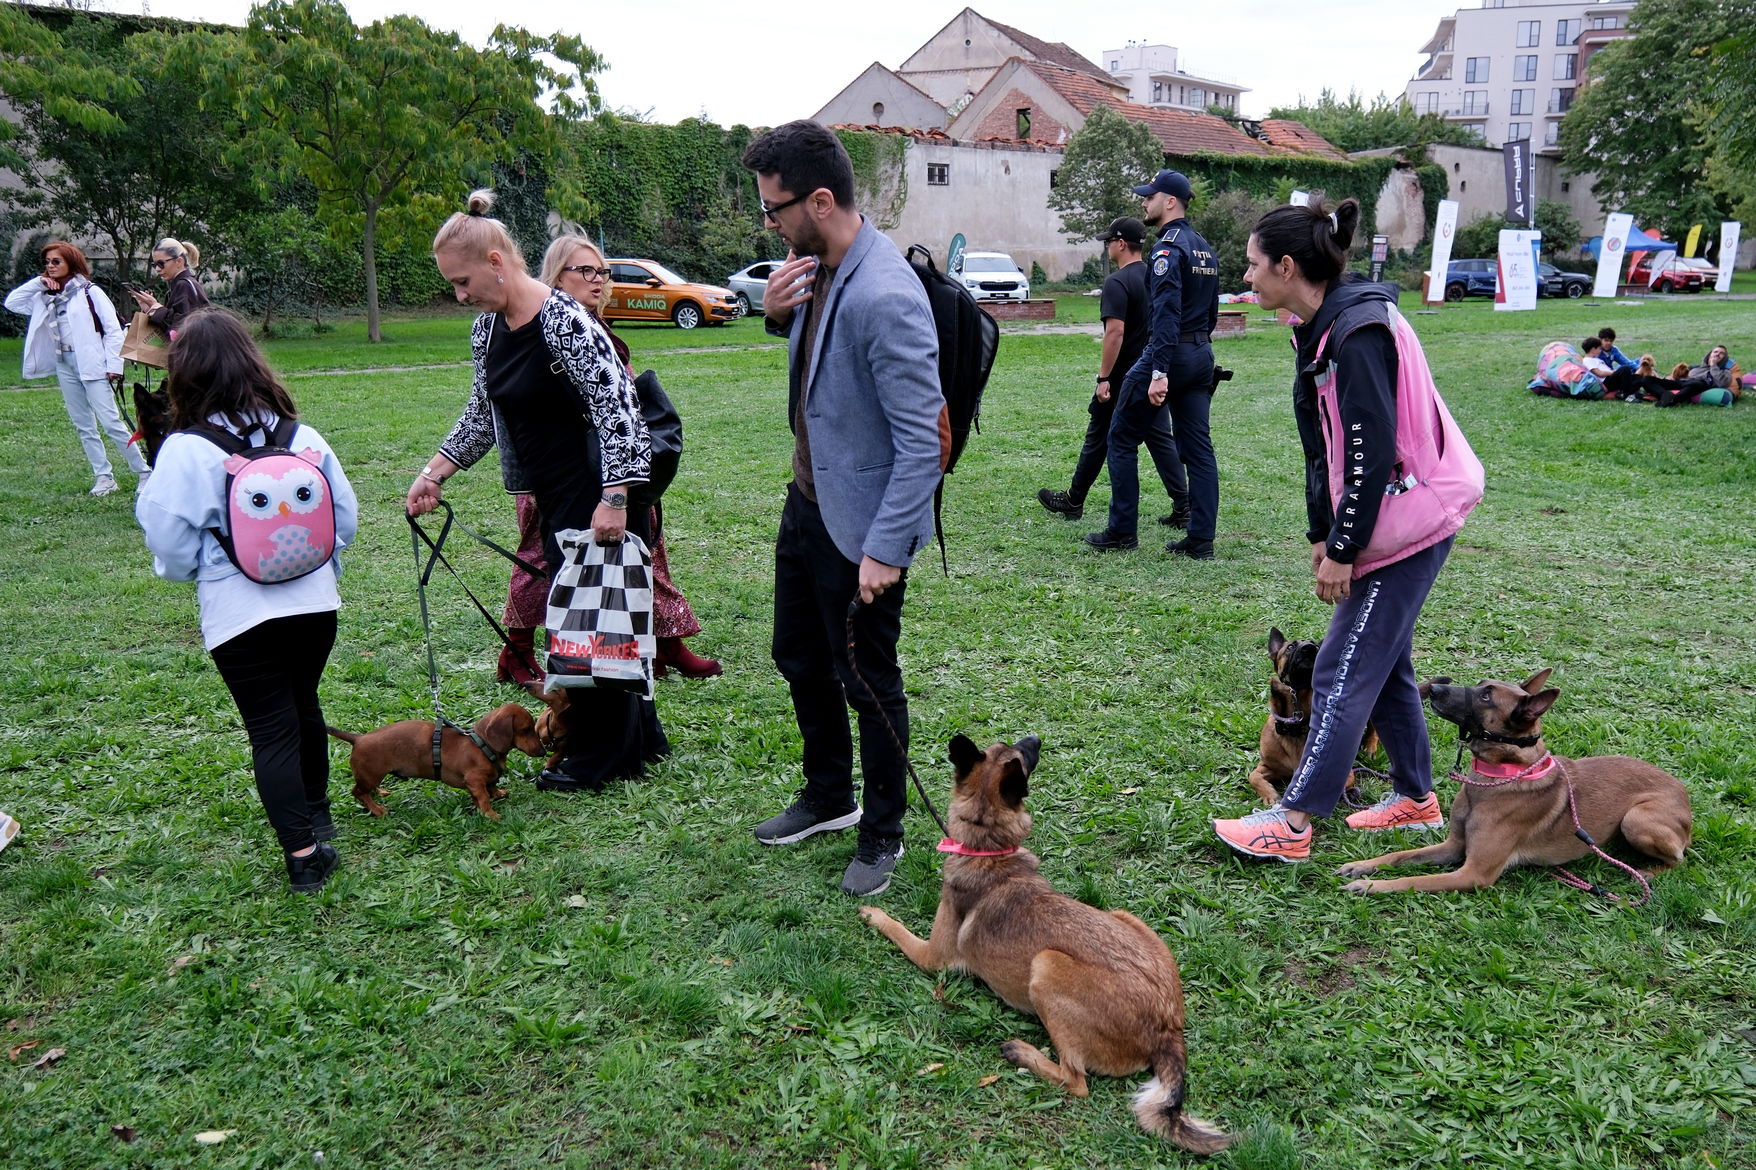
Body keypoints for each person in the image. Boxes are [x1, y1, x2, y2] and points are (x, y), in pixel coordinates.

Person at [1212, 197, 1482, 863]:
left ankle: (1293, 820)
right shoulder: (1322, 323)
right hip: (1393, 515)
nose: (1246, 277)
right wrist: (1320, 529)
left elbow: (1370, 449)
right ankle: (1417, 799)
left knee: (1337, 666)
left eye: (1251, 266)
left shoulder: (1357, 330)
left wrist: (1344, 547)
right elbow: (1319, 441)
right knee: (1383, 661)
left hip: (1412, 516)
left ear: (1286, 265)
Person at [742, 120, 943, 897]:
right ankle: (829, 795)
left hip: (862, 525)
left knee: (868, 678)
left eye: (775, 209)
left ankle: (883, 832)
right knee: (798, 656)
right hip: (808, 503)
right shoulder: (820, 268)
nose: (771, 224)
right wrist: (778, 317)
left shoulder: (885, 293)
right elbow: (819, 381)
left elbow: (920, 439)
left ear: (819, 201)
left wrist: (887, 548)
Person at [409, 190, 666, 793]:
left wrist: (617, 498)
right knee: (597, 620)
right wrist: (433, 474)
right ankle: (639, 742)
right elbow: (482, 412)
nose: (460, 294)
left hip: (597, 492)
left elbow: (619, 409)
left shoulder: (564, 321)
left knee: (595, 628)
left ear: (498, 261)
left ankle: (600, 758)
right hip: (553, 495)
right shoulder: (487, 332)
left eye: (464, 280)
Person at [136, 309, 359, 892]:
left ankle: (304, 855)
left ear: (185, 375)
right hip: (314, 604)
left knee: (270, 726)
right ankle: (318, 814)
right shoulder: (300, 435)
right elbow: (346, 517)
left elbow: (167, 537)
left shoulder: (184, 451)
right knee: (304, 704)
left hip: (239, 614)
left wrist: (199, 570)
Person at [538, 235, 721, 680]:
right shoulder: (551, 329)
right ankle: (537, 652)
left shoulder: (596, 326)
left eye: (601, 272)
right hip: (578, 476)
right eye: (584, 271)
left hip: (617, 468)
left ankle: (659, 646)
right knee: (568, 570)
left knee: (643, 557)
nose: (597, 280)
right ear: (555, 277)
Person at [1089, 170, 1220, 558]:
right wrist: (1197, 349)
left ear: (1170, 202)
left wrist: (1159, 370)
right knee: (1198, 449)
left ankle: (1121, 531)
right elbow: (1210, 311)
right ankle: (1201, 540)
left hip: (1168, 352)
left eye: (1150, 197)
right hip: (1200, 353)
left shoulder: (1167, 249)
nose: (1144, 203)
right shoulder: (1204, 248)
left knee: (1121, 436)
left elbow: (1166, 314)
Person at [1037, 216, 1189, 528]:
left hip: (1123, 377)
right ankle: (1184, 503)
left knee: (1099, 437)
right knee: (1160, 439)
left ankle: (1074, 499)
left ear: (1121, 244)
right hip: (1152, 371)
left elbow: (1114, 333)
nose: (1107, 246)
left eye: (1109, 241)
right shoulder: (1155, 276)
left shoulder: (1117, 282)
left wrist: (1104, 377)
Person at [6, 241, 152, 496]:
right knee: (83, 425)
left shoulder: (89, 292)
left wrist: (114, 366)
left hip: (93, 364)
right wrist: (37, 283)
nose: (49, 267)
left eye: (56, 262)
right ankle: (103, 476)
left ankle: (143, 472)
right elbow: (13, 303)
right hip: (65, 364)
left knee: (110, 422)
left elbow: (112, 331)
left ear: (71, 263)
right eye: (47, 263)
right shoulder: (45, 294)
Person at [130, 238, 210, 334]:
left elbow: (181, 328)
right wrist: (149, 309)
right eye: (154, 264)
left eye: (161, 263)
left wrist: (156, 308)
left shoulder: (185, 285)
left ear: (179, 262)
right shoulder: (180, 285)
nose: (157, 269)